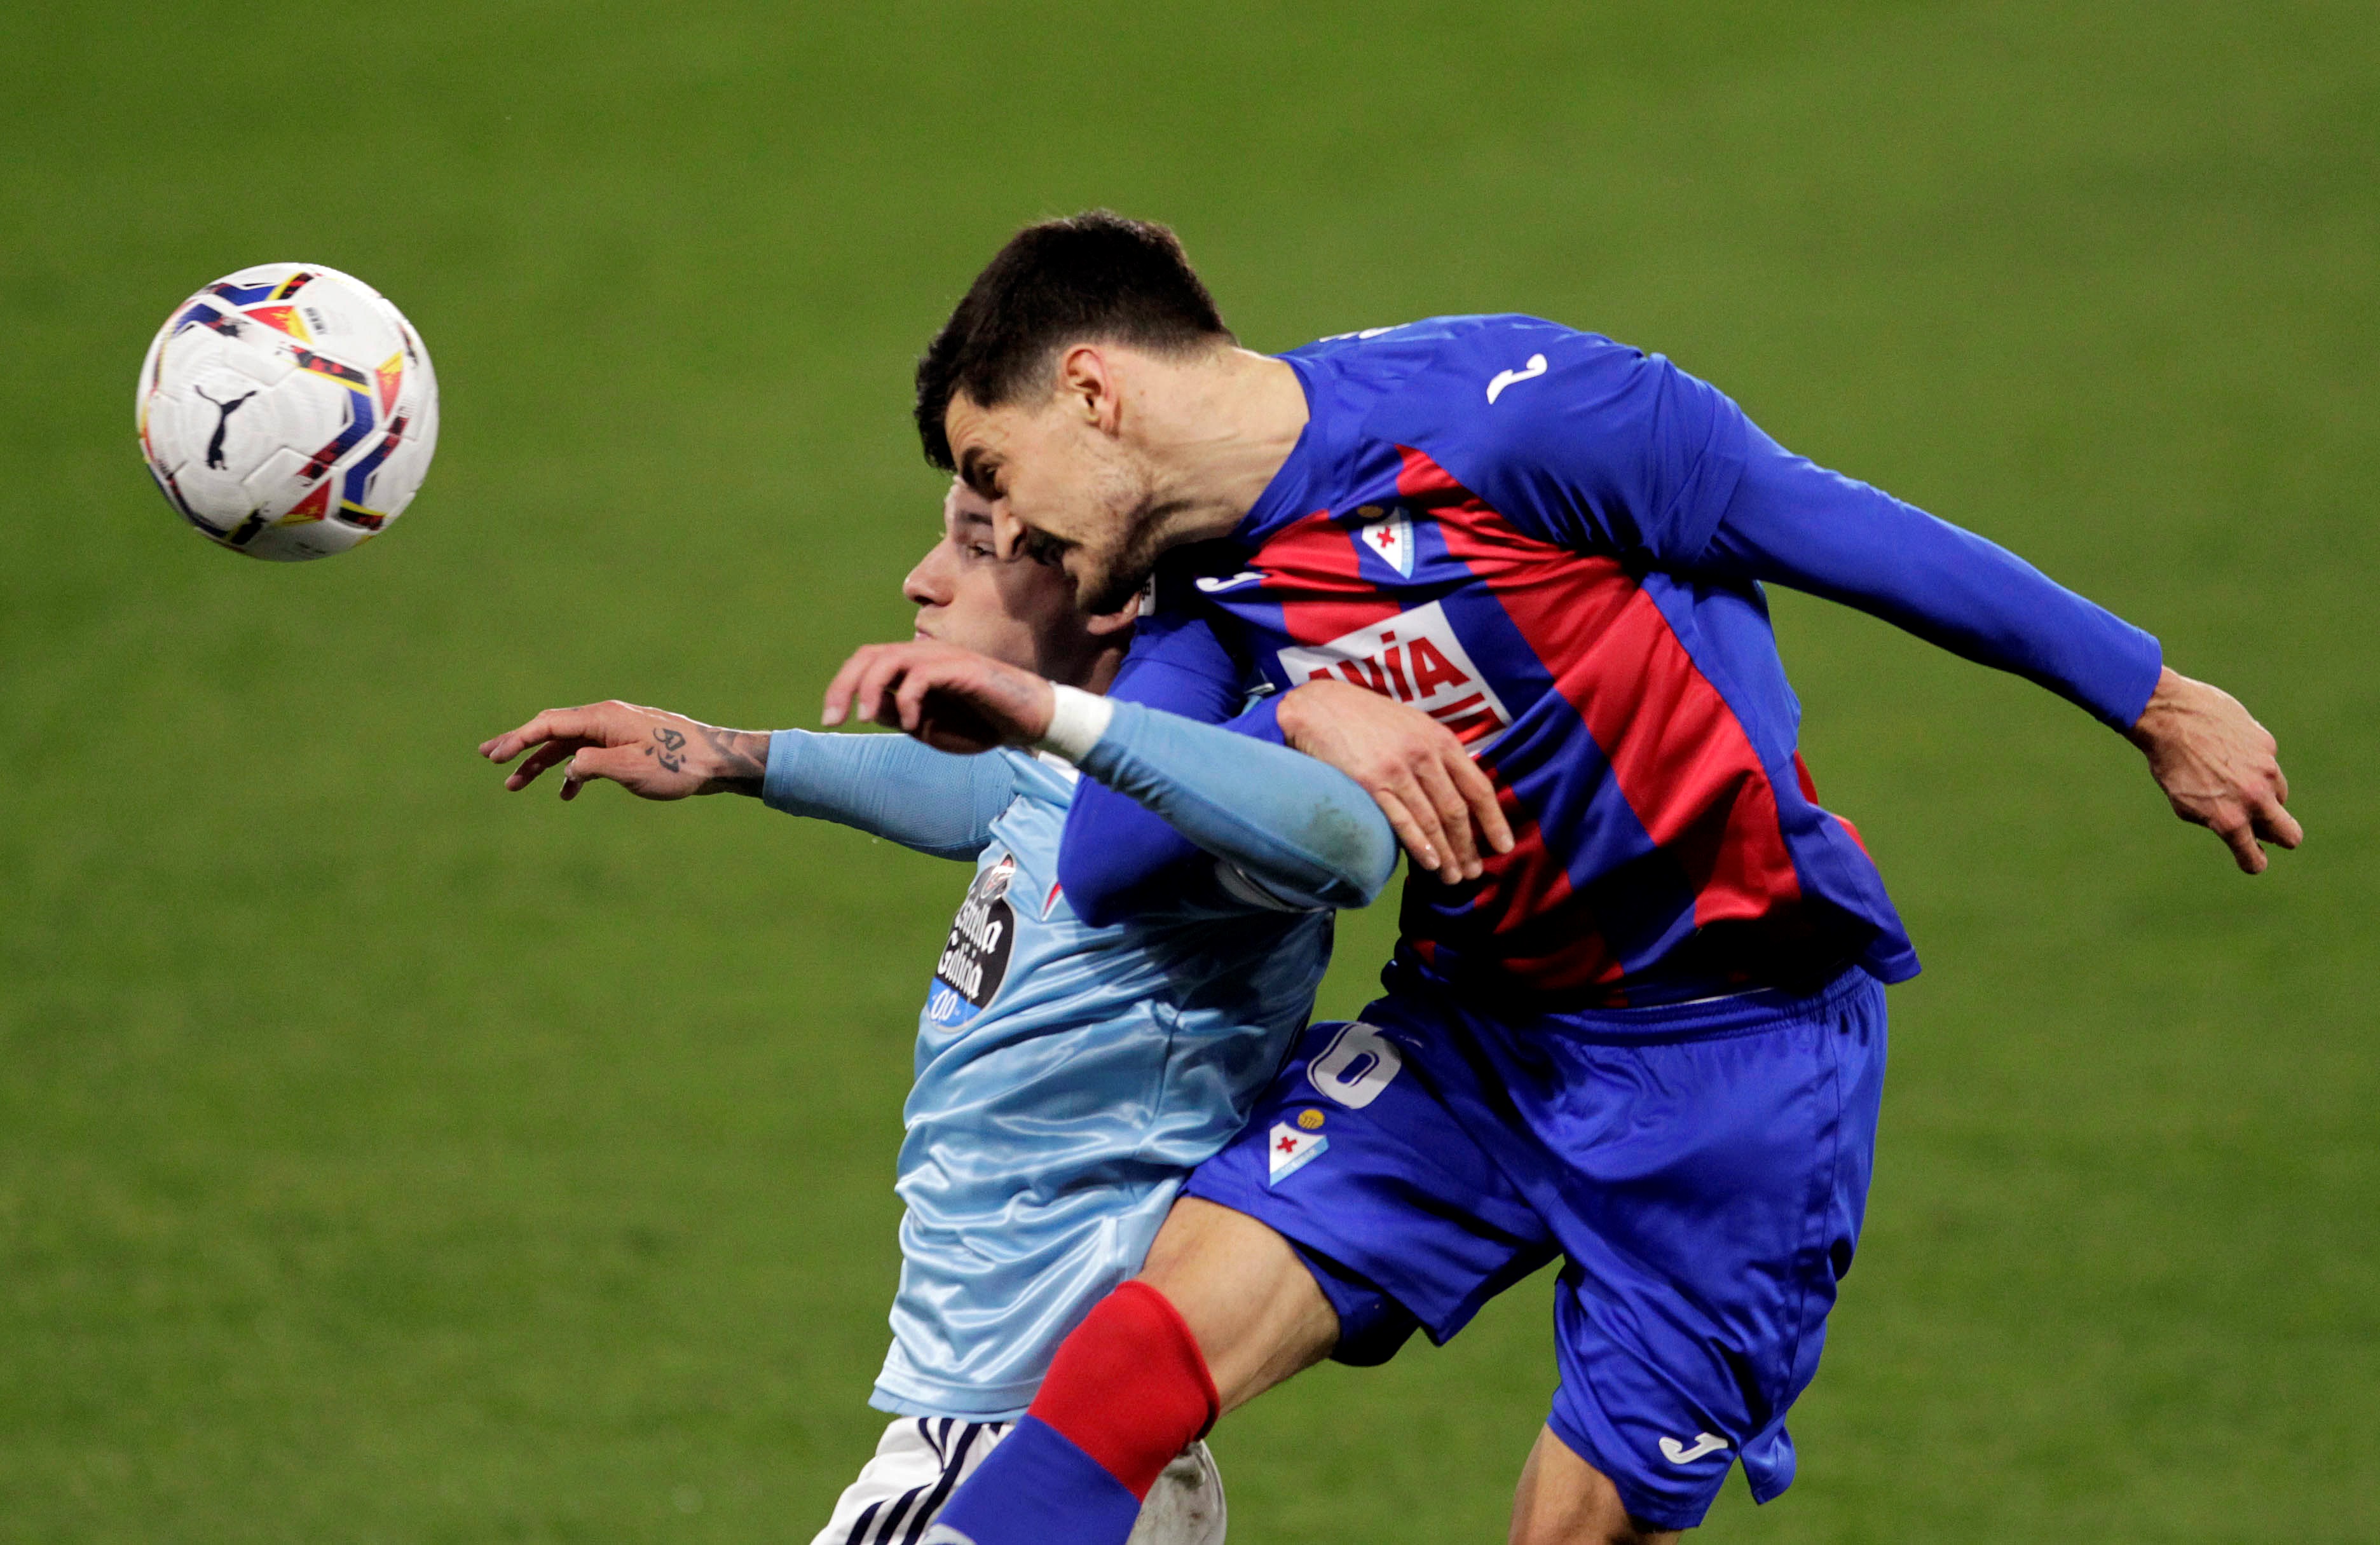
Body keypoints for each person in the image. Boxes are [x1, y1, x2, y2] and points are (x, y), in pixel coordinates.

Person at [837, 212, 2299, 1544]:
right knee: (1138, 1356)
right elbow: (1106, 859)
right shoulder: (1206, 580)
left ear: (1093, 392)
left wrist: (2156, 700)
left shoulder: (1515, 414)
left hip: (1739, 1062)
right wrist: (1294, 713)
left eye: (993, 473)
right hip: (1479, 1035)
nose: (1003, 531)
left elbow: (1841, 530)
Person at [478, 483, 1400, 1545]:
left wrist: (1294, 717)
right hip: (1054, 1433)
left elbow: (1346, 850)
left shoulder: (1189, 814)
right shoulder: (1078, 779)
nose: (922, 579)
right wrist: (722, 754)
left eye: (976, 547)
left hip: (1017, 1434)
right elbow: (990, 795)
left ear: (1107, 598)